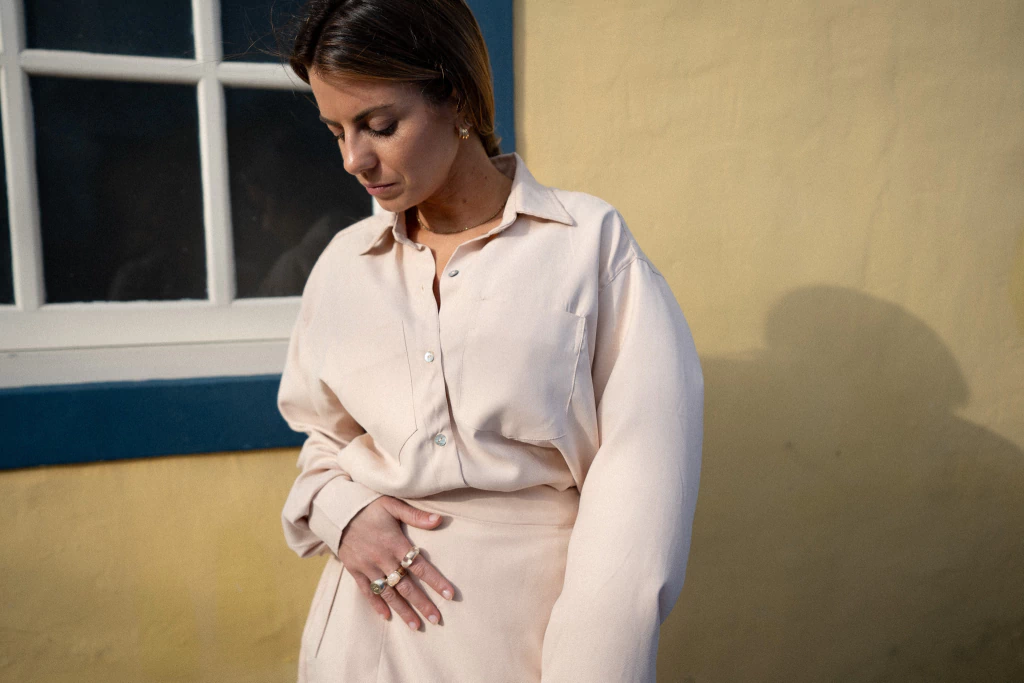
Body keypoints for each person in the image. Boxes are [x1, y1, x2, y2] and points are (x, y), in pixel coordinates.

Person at [276, 1, 704, 680]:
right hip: (361, 641)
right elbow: (322, 441)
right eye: (336, 132)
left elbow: (639, 503)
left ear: (456, 97)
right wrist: (341, 513)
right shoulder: (343, 265)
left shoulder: (588, 246)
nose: (355, 159)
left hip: (524, 639)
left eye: (379, 125)